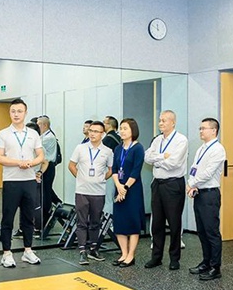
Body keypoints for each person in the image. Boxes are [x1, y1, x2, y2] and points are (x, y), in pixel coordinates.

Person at [0, 98, 45, 268]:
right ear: (10, 113)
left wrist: (31, 163)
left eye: (20, 111)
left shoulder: (33, 134)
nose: (16, 114)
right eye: (13, 111)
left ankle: (28, 251)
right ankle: (6, 253)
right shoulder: (3, 134)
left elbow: (40, 155)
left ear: (25, 113)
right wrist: (18, 162)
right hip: (11, 181)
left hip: (29, 180)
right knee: (8, 218)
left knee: (28, 217)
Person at [143, 110, 188, 270]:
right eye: (160, 120)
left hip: (173, 184)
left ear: (173, 122)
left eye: (164, 120)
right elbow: (147, 157)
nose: (160, 123)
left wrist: (156, 159)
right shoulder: (157, 140)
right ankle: (156, 257)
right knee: (157, 223)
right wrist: (163, 156)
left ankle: (174, 259)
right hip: (157, 184)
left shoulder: (181, 140)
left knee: (174, 223)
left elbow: (174, 163)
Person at [187, 118, 226, 281]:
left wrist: (192, 183)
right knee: (202, 231)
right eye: (200, 128)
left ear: (214, 130)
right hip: (199, 193)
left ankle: (215, 267)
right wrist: (191, 184)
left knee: (211, 231)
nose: (201, 131)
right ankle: (206, 262)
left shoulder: (218, 149)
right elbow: (194, 169)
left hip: (210, 194)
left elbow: (208, 173)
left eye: (204, 128)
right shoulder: (201, 148)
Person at [68, 121, 113, 265]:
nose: (92, 134)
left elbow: (111, 170)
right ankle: (82, 251)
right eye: (91, 130)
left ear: (102, 134)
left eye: (96, 131)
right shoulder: (80, 148)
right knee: (81, 222)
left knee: (95, 222)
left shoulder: (107, 151)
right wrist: (81, 178)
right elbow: (71, 165)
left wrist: (101, 179)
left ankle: (93, 249)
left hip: (98, 192)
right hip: (82, 191)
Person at [111, 118, 145, 268]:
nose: (122, 131)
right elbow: (114, 169)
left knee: (132, 222)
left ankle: (131, 255)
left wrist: (124, 188)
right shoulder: (118, 148)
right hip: (119, 188)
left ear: (133, 131)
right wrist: (118, 186)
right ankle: (123, 253)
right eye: (121, 128)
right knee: (120, 222)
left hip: (132, 190)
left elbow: (136, 171)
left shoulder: (138, 148)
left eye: (125, 128)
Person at [38, 116, 61, 226]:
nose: (37, 127)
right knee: (45, 191)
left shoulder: (48, 138)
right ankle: (57, 202)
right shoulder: (43, 136)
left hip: (48, 166)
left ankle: (46, 216)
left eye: (38, 124)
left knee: (45, 192)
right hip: (43, 165)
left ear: (45, 125)